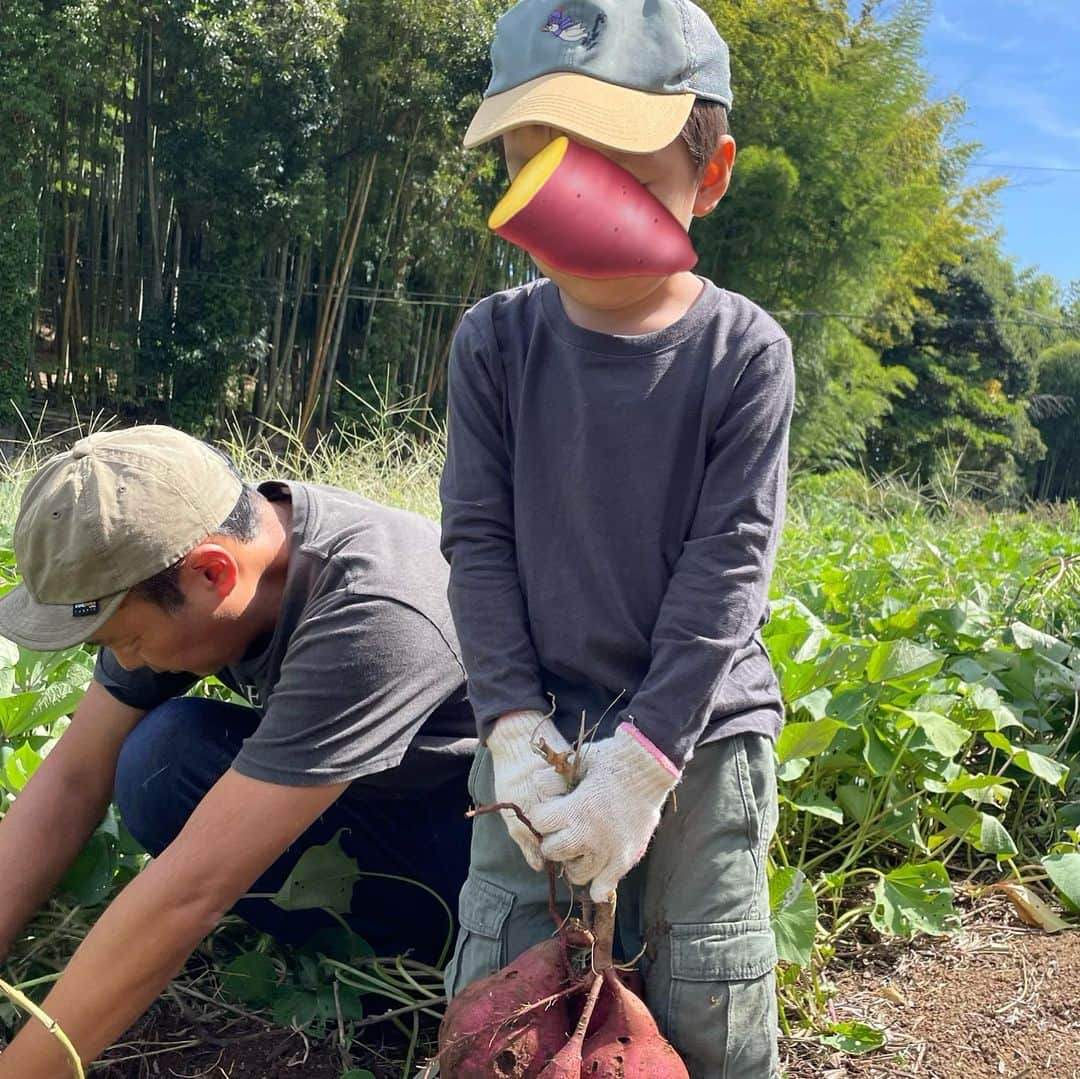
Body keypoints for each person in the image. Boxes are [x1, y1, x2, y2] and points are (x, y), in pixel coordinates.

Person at [439, 1, 794, 1075]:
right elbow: (479, 542)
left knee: (709, 1000)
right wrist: (508, 720)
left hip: (703, 736)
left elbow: (727, 567)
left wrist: (646, 761)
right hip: (535, 736)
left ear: (711, 173)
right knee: (501, 1005)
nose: (579, 212)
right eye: (543, 170)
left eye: (618, 177)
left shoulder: (744, 352)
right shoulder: (495, 341)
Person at [0, 425, 476, 1077]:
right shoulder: (200, 557)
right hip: (374, 794)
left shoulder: (372, 614)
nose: (121, 660)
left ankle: (423, 971)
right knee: (160, 762)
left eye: (125, 639)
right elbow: (75, 777)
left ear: (212, 572)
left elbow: (191, 889)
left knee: (171, 785)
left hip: (478, 850)